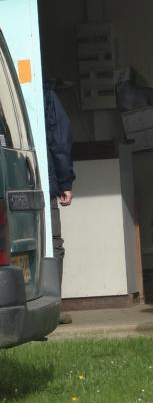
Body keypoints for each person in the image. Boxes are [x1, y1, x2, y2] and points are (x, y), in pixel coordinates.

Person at [44, 81, 76, 325]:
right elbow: (60, 139)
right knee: (53, 243)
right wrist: (65, 182)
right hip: (41, 178)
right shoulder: (44, 92)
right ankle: (52, 307)